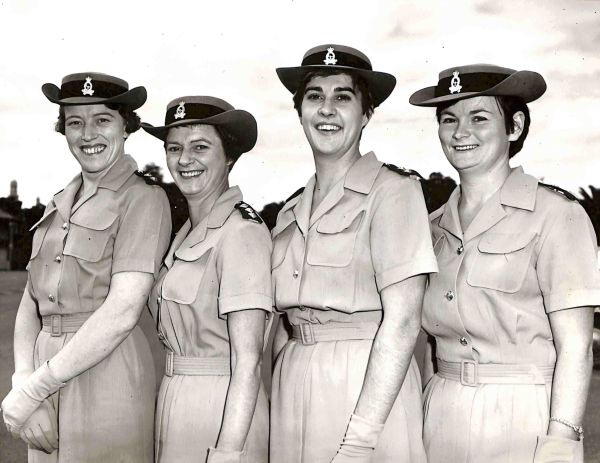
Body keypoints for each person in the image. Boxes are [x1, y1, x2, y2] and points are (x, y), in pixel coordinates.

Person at [410, 64, 600, 462]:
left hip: (523, 416)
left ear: (514, 127)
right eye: (448, 119)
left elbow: (577, 346)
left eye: (479, 117)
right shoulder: (429, 228)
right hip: (439, 411)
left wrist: (560, 445)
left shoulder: (555, 215)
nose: (460, 131)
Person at [270, 44, 437, 463]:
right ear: (300, 111)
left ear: (366, 115)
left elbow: (402, 323)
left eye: (343, 97)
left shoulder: (393, 192)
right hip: (294, 382)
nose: (327, 109)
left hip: (364, 384)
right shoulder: (290, 210)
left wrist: (361, 439)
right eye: (314, 96)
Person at [1, 72, 172, 462]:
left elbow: (122, 312)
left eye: (102, 120)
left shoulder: (143, 199)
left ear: (126, 127)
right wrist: (22, 379)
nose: (88, 134)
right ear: (63, 131)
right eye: (75, 122)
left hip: (106, 372)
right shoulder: (58, 202)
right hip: (43, 375)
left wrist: (34, 389)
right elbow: (32, 303)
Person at [142, 96, 271, 463]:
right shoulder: (187, 232)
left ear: (229, 156)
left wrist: (228, 452)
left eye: (200, 147)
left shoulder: (241, 231)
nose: (184, 160)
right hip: (176, 399)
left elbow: (248, 361)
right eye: (174, 148)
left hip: (222, 407)